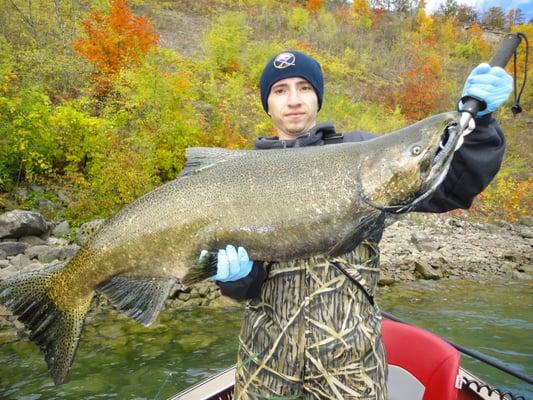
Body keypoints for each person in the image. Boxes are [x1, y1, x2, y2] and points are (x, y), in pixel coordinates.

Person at [204, 51, 513, 399]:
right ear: (267, 103)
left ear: (317, 96)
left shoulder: (366, 151)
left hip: (351, 369)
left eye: (304, 87)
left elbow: (452, 186)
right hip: (266, 366)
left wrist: (482, 127)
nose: (293, 100)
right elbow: (244, 289)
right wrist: (236, 279)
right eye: (280, 91)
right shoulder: (241, 174)